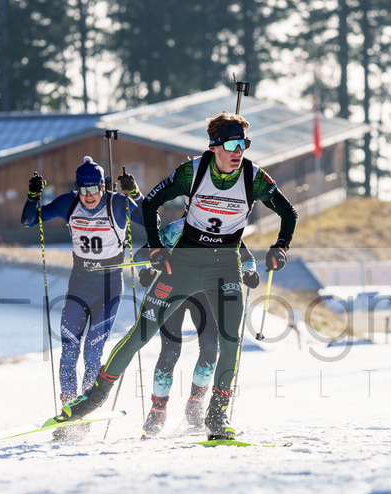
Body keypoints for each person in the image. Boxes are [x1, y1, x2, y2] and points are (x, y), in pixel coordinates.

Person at [51, 111, 298, 439]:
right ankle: (91, 401)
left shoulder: (254, 177)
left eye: (245, 144)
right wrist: (155, 248)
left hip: (224, 267)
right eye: (233, 144)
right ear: (215, 147)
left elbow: (288, 211)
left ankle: (216, 414)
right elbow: (150, 203)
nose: (240, 151)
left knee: (230, 341)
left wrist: (280, 246)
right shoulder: (192, 171)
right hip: (180, 265)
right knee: (141, 333)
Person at [22, 157, 144, 440]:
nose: (88, 197)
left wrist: (133, 193)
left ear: (103, 186)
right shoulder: (69, 203)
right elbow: (29, 220)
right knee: (68, 350)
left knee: (92, 352)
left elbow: (149, 218)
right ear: (76, 189)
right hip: (79, 283)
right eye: (83, 191)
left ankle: (84, 412)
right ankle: (67, 414)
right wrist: (32, 197)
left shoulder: (116, 204)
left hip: (110, 286)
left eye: (94, 190)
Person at [136, 221, 260, 438]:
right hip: (174, 290)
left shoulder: (222, 227)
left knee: (211, 348)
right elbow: (141, 255)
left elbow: (247, 258)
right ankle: (157, 411)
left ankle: (195, 403)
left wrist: (249, 273)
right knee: (170, 350)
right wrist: (144, 270)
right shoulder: (172, 230)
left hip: (205, 294)